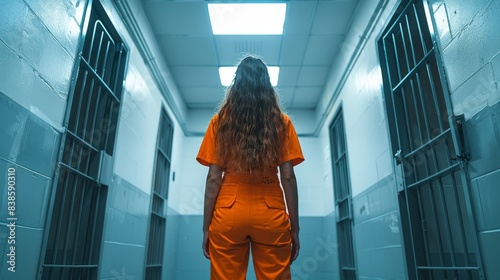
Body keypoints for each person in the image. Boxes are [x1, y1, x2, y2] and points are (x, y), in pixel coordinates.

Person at [196, 56, 305, 280]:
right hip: (271, 212)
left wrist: (206, 227)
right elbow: (288, 178)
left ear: (236, 85)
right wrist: (295, 228)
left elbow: (214, 179)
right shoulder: (282, 123)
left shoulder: (220, 123)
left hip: (228, 212)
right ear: (267, 86)